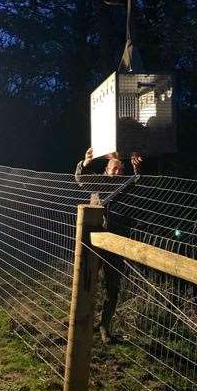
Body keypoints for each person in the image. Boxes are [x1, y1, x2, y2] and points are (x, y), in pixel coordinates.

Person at [74, 147, 126, 343]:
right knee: (87, 283)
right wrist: (86, 162)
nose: (118, 172)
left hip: (116, 245)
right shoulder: (99, 181)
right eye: (115, 169)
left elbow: (140, 187)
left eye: (121, 170)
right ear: (106, 169)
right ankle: (82, 322)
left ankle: (104, 326)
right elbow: (81, 180)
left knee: (112, 288)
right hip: (93, 244)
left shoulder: (126, 185)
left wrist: (137, 170)